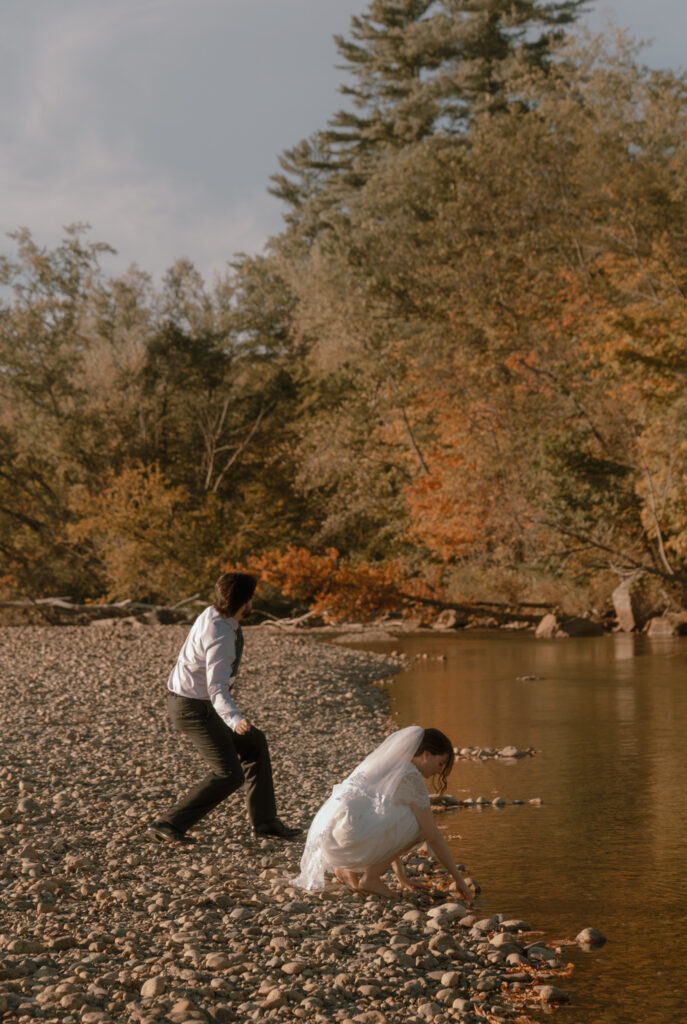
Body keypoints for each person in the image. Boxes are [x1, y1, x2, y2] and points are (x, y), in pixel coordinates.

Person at [146, 571, 300, 844]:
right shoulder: (220, 636)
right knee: (229, 774)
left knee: (254, 743)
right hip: (192, 709)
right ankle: (168, 823)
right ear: (245, 601)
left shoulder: (216, 616)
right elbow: (216, 687)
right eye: (251, 597)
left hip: (197, 703)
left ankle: (265, 821)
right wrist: (234, 719)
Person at [292, 726, 473, 900]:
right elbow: (434, 837)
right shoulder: (411, 775)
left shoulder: (387, 763)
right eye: (440, 763)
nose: (439, 770)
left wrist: (401, 877)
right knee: (420, 825)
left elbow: (385, 819)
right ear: (426, 755)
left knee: (389, 811)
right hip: (347, 844)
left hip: (328, 840)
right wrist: (459, 880)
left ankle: (348, 870)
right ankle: (370, 879)